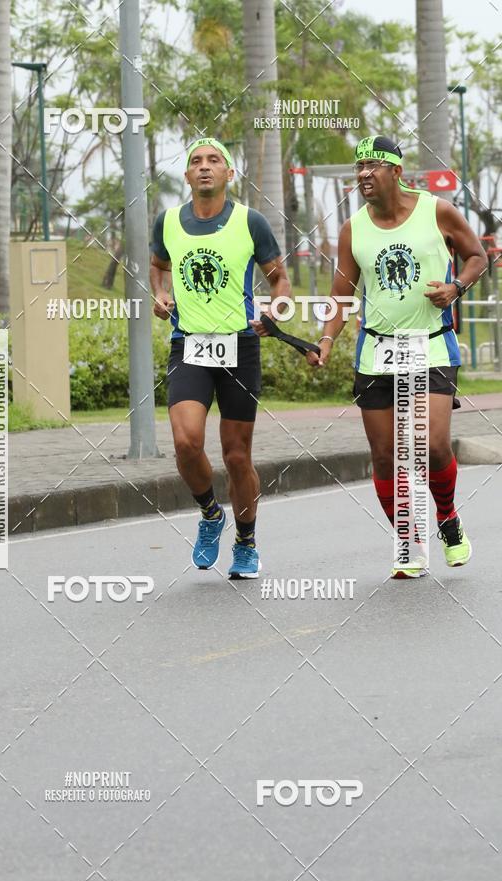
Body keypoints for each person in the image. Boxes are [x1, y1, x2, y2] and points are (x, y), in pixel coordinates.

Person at [308, 135, 487, 578]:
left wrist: (456, 287)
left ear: (396, 172)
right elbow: (341, 293)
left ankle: (446, 517)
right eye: (359, 168)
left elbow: (477, 257)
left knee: (432, 444)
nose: (364, 174)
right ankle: (408, 541)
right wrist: (326, 340)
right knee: (386, 454)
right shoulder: (354, 228)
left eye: (373, 166)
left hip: (430, 344)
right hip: (376, 353)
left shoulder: (437, 210)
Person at [150, 138, 291, 578]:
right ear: (187, 175)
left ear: (231, 174)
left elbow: (280, 280)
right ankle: (211, 513)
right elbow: (158, 265)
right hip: (189, 344)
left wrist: (274, 311)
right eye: (196, 161)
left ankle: (246, 541)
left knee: (235, 456)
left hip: (239, 347)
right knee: (186, 442)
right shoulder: (168, 221)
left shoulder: (251, 222)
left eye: (214, 161)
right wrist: (160, 292)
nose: (204, 167)